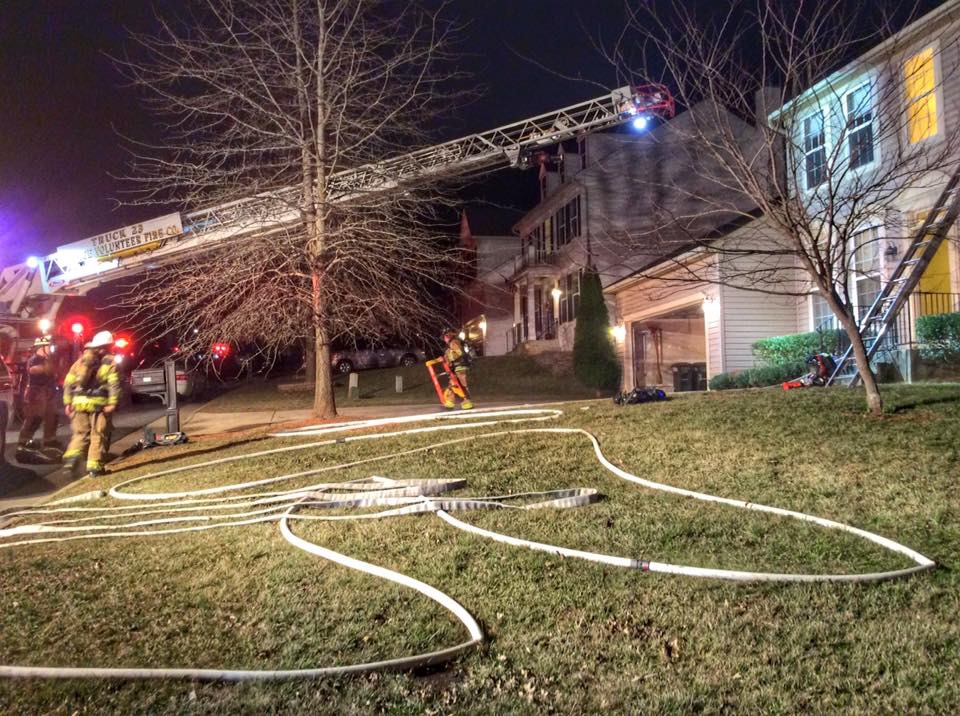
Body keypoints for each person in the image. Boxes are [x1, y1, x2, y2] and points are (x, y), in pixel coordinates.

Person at [62, 330, 121, 476]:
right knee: (98, 434)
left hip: (78, 403)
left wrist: (68, 402)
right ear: (107, 346)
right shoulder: (110, 362)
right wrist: (113, 403)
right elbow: (114, 384)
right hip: (98, 405)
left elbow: (68, 383)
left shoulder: (80, 362)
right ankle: (95, 468)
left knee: (80, 434)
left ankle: (70, 462)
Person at [15, 335, 62, 464]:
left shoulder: (48, 359)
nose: (50, 348)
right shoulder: (35, 359)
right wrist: (46, 367)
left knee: (52, 416)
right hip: (36, 393)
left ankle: (49, 441)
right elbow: (32, 370)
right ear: (42, 348)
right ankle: (23, 443)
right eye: (48, 346)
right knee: (34, 418)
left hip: (48, 392)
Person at [440, 329, 473, 410]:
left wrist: (448, 358)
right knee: (452, 384)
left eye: (444, 337)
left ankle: (466, 402)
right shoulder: (451, 345)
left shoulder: (454, 342)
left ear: (448, 336)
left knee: (461, 385)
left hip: (460, 367)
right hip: (456, 367)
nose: (444, 339)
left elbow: (458, 353)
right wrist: (446, 359)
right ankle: (450, 402)